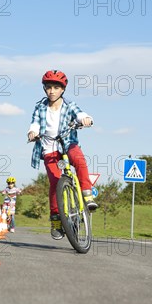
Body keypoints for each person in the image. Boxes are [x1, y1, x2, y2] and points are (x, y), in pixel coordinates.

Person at [27, 69, 98, 240]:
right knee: (55, 182)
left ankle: (87, 195)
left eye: (56, 88)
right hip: (48, 147)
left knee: (79, 161)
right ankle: (56, 220)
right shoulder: (40, 107)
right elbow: (35, 123)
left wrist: (85, 119)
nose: (51, 91)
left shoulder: (69, 105)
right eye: (48, 87)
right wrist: (32, 132)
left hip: (68, 143)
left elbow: (79, 114)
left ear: (63, 89)